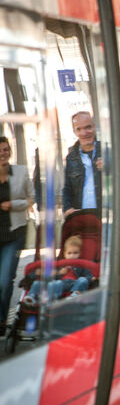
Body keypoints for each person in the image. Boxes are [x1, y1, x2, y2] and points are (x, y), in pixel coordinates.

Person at [0, 137, 33, 336]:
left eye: (5, 149)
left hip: (13, 234)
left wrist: (14, 205)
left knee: (4, 281)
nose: (3, 153)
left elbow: (31, 199)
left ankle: (2, 319)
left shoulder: (20, 172)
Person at [24, 235, 94, 304]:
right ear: (65, 254)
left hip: (74, 284)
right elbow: (52, 276)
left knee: (83, 280)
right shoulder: (60, 264)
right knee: (50, 283)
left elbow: (88, 275)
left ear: (80, 253)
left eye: (75, 253)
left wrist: (91, 278)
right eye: (69, 253)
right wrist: (59, 273)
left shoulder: (81, 264)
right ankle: (32, 296)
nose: (72, 256)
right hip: (61, 283)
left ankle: (75, 295)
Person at [63, 111, 102, 216]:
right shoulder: (71, 158)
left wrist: (111, 165)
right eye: (79, 129)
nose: (84, 133)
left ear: (94, 127)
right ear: (74, 132)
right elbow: (66, 188)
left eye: (88, 127)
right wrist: (67, 209)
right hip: (82, 218)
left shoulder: (107, 151)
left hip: (107, 216)